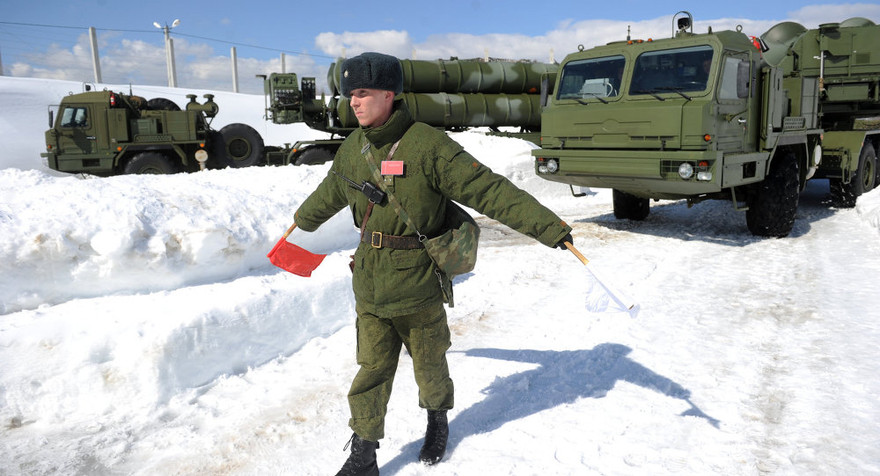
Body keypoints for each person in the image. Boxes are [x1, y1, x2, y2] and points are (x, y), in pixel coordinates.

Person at [293, 52, 573, 476]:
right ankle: (364, 452)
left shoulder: (428, 145)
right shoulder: (354, 147)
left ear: (390, 94)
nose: (354, 101)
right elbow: (331, 190)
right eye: (351, 94)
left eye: (364, 93)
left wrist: (547, 227)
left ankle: (437, 418)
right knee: (371, 369)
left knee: (429, 362)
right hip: (369, 281)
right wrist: (299, 224)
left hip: (418, 281)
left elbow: (488, 190)